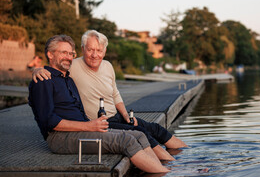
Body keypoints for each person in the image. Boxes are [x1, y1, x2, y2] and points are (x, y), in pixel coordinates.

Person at [33, 30, 187, 161]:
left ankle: (188, 153)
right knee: (144, 134)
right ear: (82, 49)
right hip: (99, 121)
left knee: (155, 128)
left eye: (99, 50)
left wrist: (126, 115)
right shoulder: (72, 65)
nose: (95, 55)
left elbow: (115, 93)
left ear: (104, 51)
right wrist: (37, 70)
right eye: (90, 50)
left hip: (117, 115)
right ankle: (172, 164)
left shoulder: (108, 66)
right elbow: (55, 65)